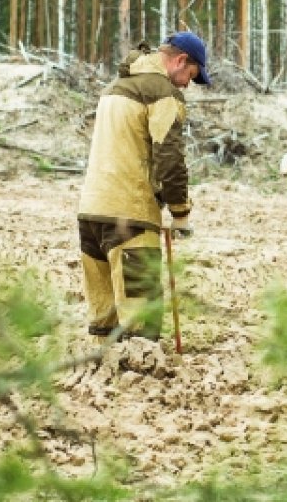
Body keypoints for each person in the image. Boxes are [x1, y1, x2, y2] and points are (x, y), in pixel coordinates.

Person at [76, 31, 209, 344]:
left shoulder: (115, 87)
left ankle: (108, 386)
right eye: (190, 75)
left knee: (104, 327)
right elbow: (170, 158)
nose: (187, 84)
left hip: (90, 213)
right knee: (141, 327)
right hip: (130, 218)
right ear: (180, 60)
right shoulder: (162, 92)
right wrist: (180, 211)